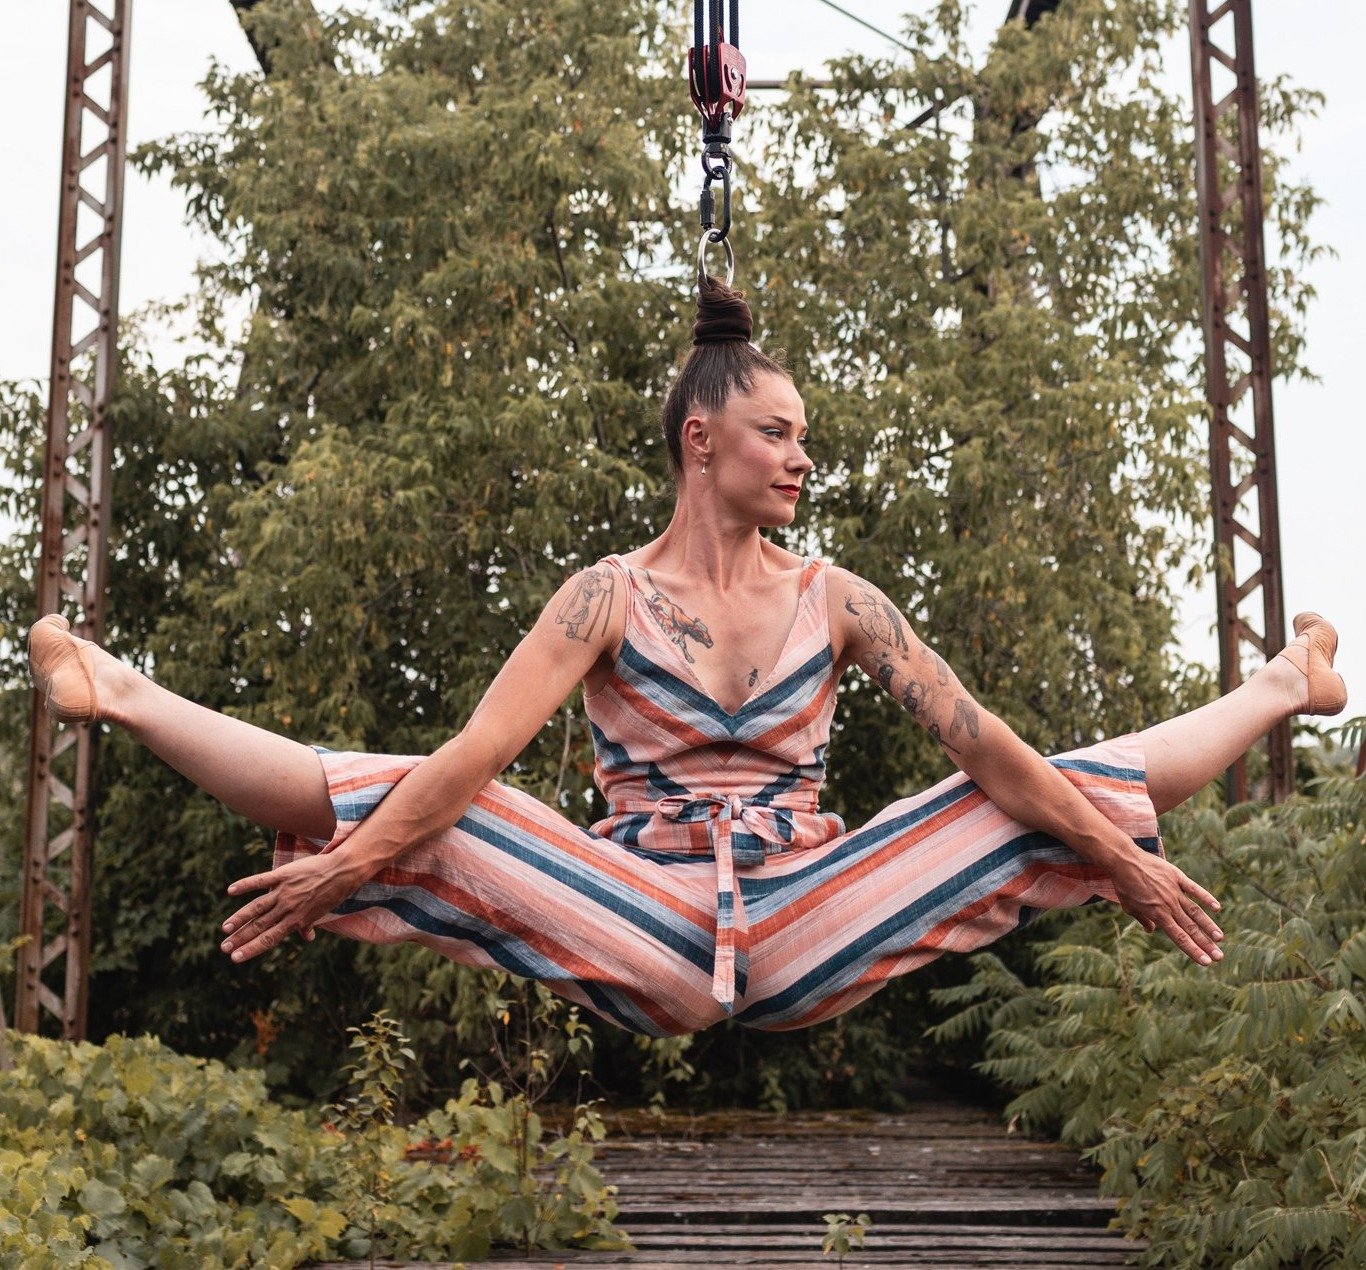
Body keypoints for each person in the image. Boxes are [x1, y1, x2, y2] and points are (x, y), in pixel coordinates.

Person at [28, 278, 1346, 1038]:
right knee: (433, 790)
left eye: (805, 436)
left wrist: (1120, 863)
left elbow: (985, 744)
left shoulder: (843, 601)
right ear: (699, 436)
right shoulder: (601, 596)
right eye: (778, 431)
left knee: (1033, 785)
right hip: (641, 911)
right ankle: (126, 691)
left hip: (811, 907)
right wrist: (351, 872)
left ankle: (1281, 681)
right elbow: (477, 756)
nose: (801, 456)